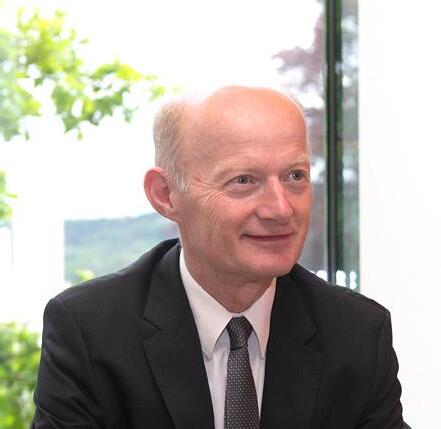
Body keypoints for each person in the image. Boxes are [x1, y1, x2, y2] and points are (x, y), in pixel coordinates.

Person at [32, 86, 403, 428]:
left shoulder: (357, 333)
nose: (280, 209)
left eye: (295, 176)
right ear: (165, 194)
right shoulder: (90, 331)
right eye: (243, 180)